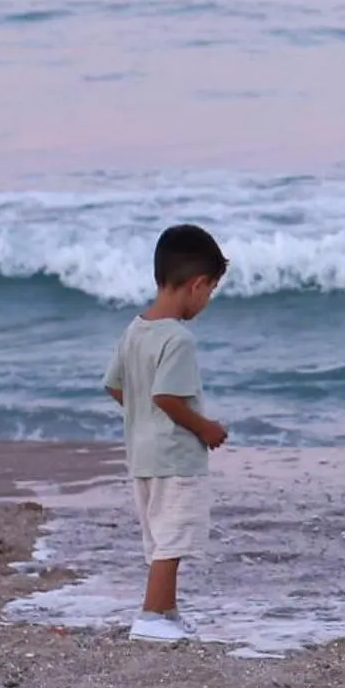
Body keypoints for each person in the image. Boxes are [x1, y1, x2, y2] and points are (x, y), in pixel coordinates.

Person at [103, 224, 230, 644]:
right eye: (210, 290)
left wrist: (142, 417)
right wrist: (206, 428)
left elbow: (115, 385)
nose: (208, 300)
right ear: (196, 284)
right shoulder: (179, 339)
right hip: (175, 457)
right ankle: (150, 614)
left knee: (160, 534)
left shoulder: (135, 329)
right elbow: (168, 398)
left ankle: (168, 611)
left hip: (141, 454)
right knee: (172, 539)